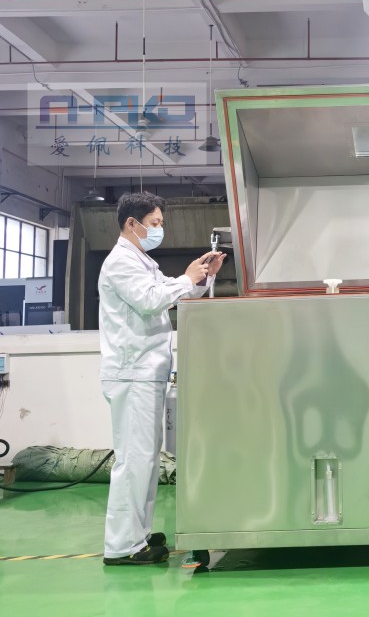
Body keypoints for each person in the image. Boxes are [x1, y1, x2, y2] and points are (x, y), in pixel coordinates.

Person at [99, 191, 225, 566]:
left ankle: (138, 534)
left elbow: (168, 293)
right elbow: (151, 300)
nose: (159, 229)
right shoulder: (120, 262)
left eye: (160, 223)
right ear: (131, 224)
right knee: (133, 461)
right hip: (132, 372)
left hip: (146, 373)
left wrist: (200, 278)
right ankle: (122, 546)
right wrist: (187, 278)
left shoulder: (141, 261)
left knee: (146, 460)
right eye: (154, 223)